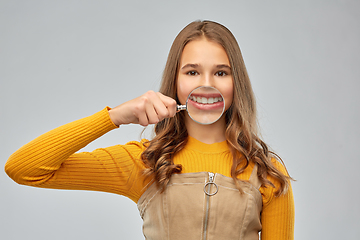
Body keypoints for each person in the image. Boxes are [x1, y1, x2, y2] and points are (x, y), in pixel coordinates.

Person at [5, 20, 294, 240]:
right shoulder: (146, 162)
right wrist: (116, 116)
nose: (207, 84)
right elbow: (24, 168)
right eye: (192, 72)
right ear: (176, 82)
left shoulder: (267, 173)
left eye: (221, 72)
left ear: (236, 83)